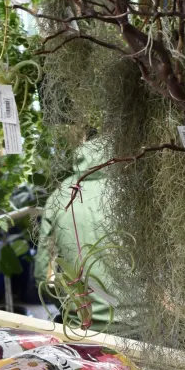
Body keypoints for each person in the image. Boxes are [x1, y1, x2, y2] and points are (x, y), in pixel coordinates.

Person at [33, 136, 126, 333]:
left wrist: (72, 305)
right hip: (138, 327)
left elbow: (44, 274)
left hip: (82, 325)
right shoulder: (134, 190)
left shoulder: (61, 195)